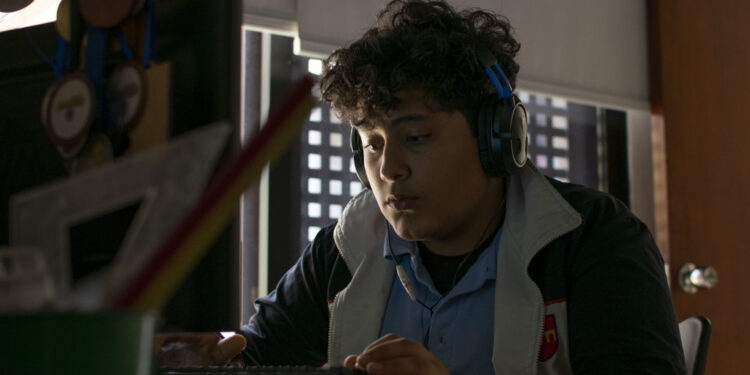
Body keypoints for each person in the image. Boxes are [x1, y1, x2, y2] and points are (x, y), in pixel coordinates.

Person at [159, 1, 686, 374]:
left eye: (416, 136)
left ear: (496, 138)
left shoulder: (594, 242)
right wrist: (209, 360)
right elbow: (259, 354)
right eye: (370, 143)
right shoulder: (346, 250)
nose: (389, 168)